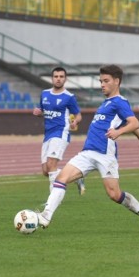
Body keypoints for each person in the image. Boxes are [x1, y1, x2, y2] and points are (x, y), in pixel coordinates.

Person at [37, 64, 139, 233]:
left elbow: (134, 122)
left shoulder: (120, 102)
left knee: (114, 195)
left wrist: (119, 132)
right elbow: (129, 123)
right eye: (101, 81)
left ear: (116, 81)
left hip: (105, 155)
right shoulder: (106, 103)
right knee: (61, 178)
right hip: (87, 152)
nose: (102, 84)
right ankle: (46, 215)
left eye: (106, 81)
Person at [33, 67, 85, 195]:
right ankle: (77, 177)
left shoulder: (69, 97)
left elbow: (78, 115)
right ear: (52, 78)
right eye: (56, 76)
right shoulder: (44, 93)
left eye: (61, 76)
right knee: (46, 171)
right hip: (48, 134)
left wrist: (75, 122)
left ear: (65, 79)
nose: (58, 79)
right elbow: (42, 111)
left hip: (61, 133)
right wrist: (38, 113)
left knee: (51, 165)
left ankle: (52, 200)